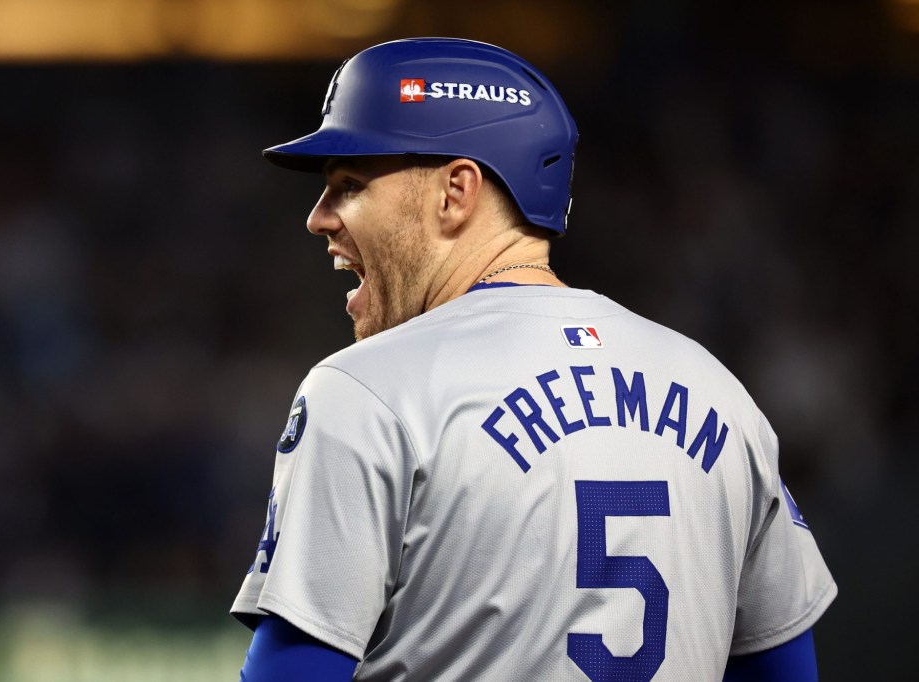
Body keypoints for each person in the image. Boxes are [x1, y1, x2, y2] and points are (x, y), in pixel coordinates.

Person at [231, 38, 836, 681]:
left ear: (455, 191)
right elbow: (785, 668)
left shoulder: (365, 392)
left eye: (349, 185)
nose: (318, 218)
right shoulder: (720, 393)